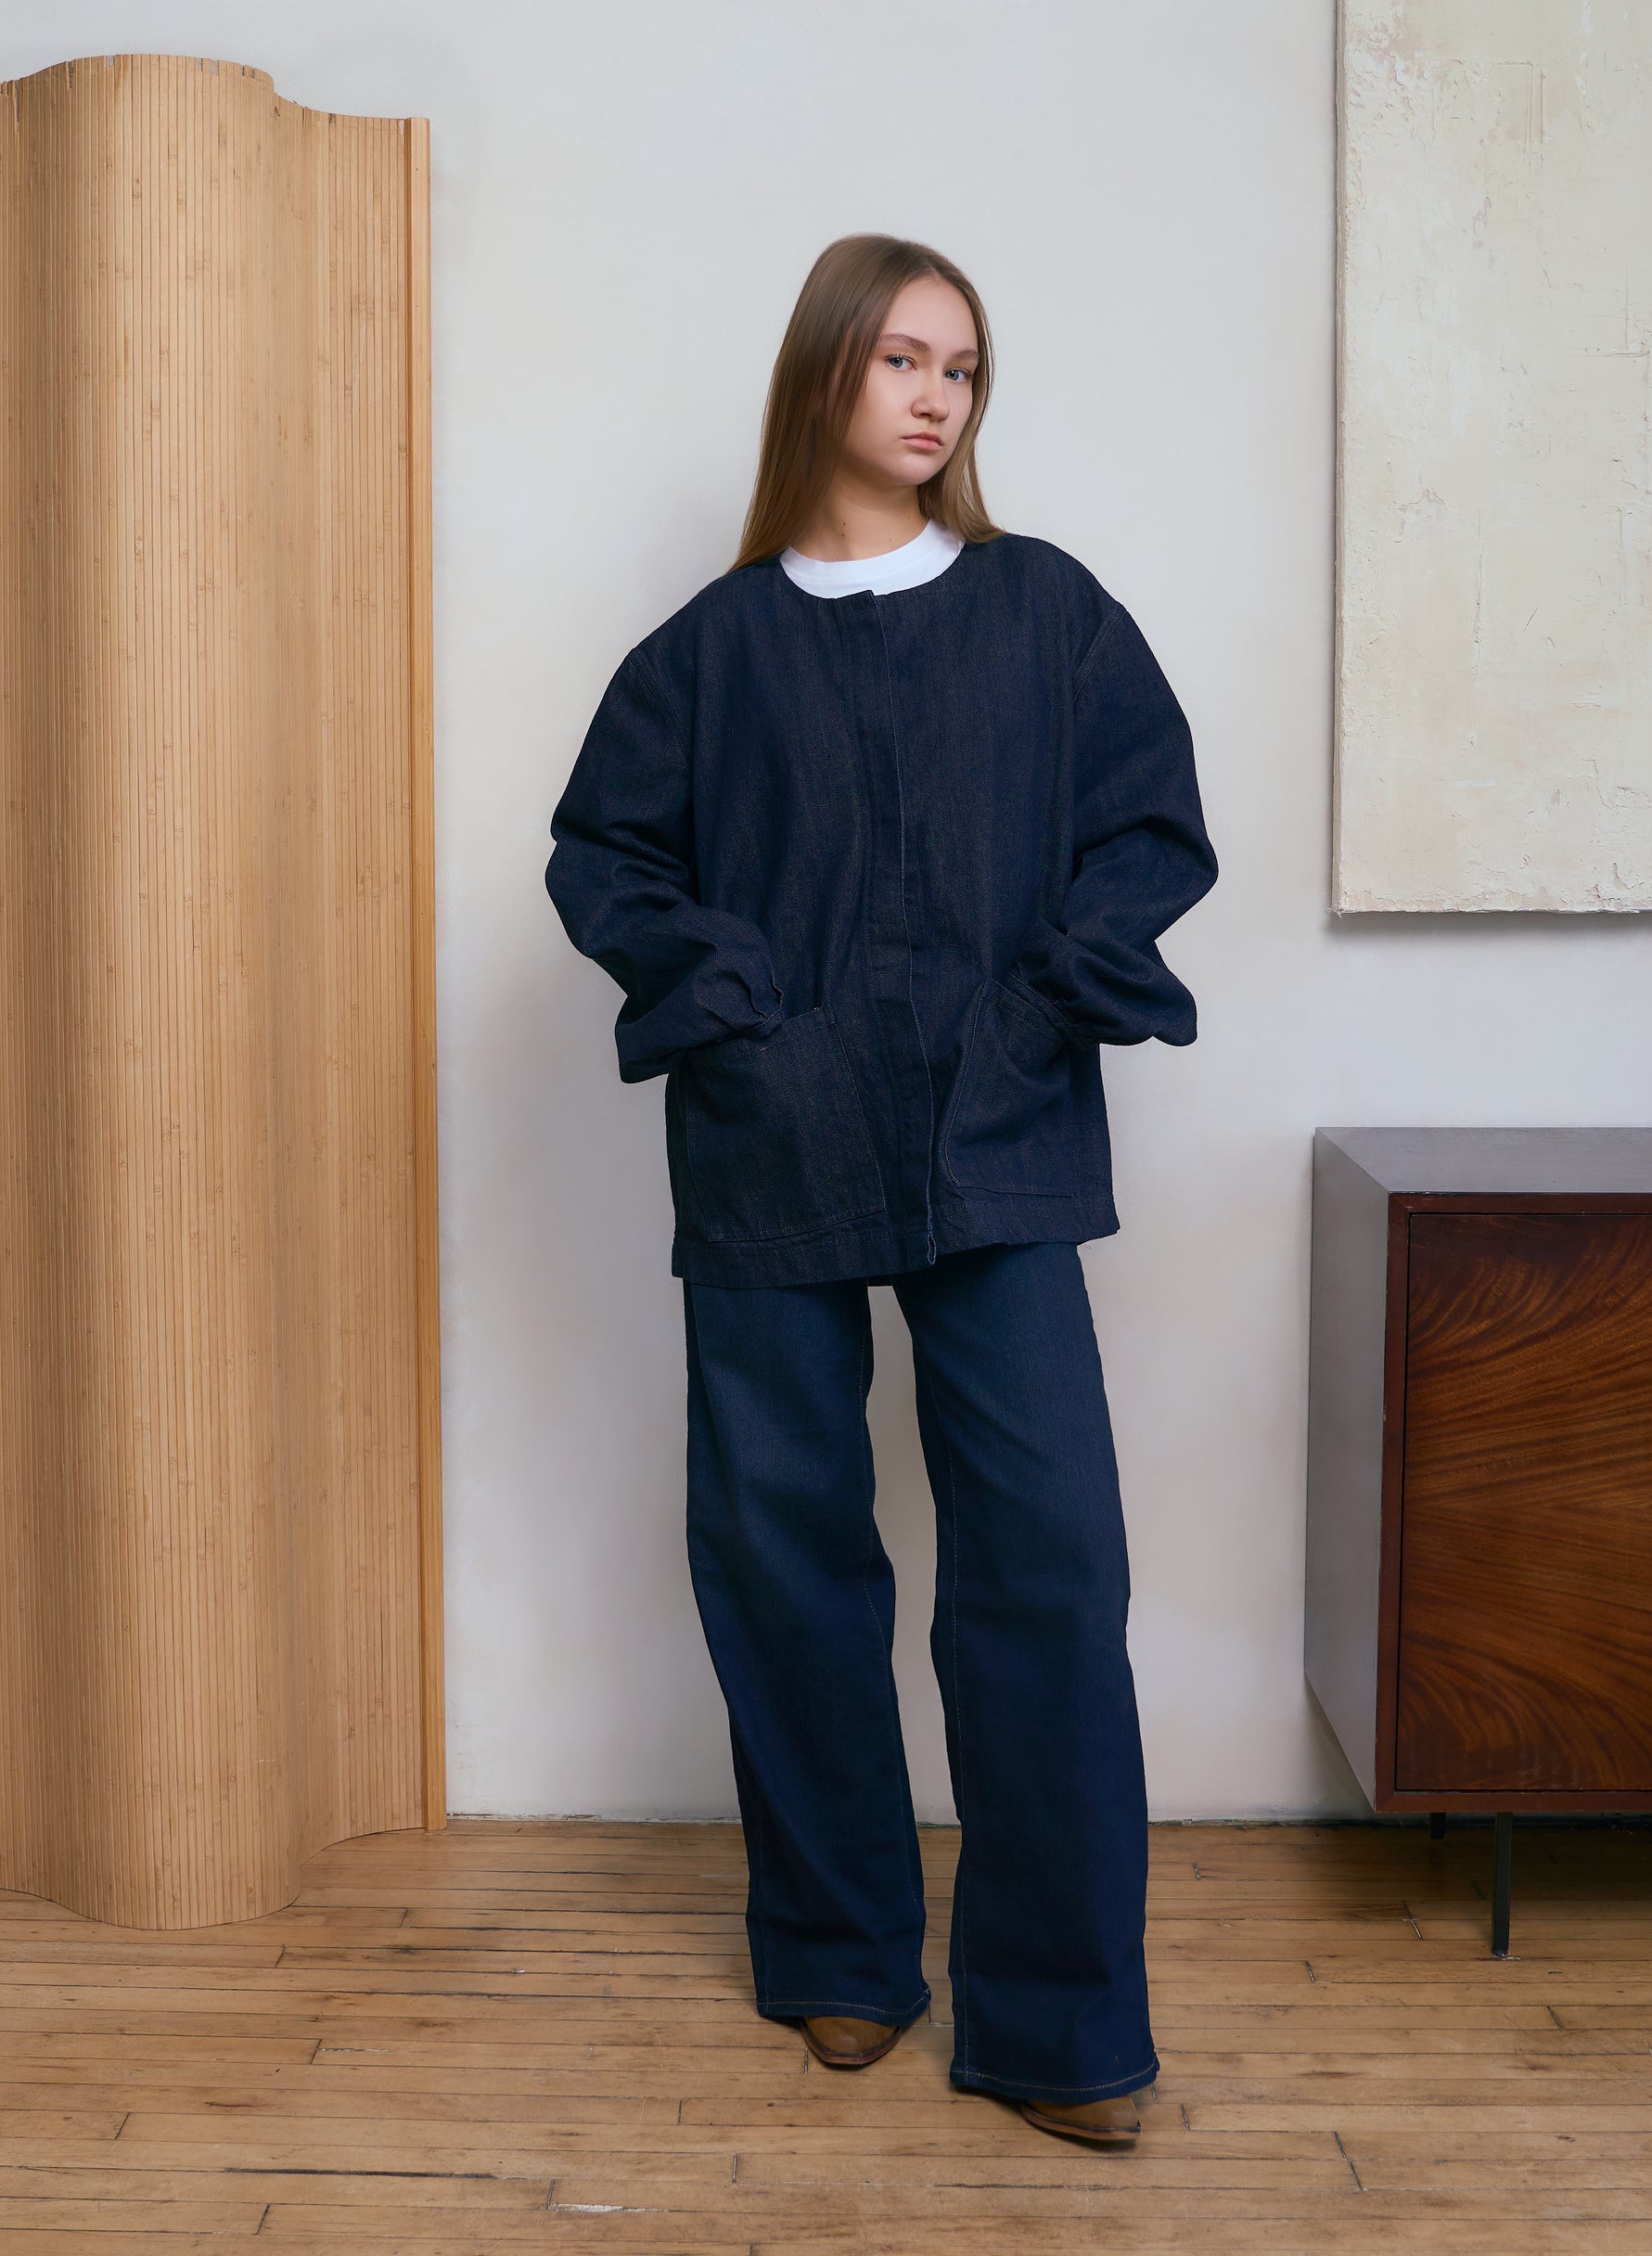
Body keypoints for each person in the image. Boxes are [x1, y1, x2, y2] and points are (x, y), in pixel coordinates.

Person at [544, 234, 1217, 2149]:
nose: (935, 397)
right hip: (773, 1140)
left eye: (963, 370)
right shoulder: (705, 653)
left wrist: (1039, 1004)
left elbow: (1148, 829)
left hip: (997, 1133)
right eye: (905, 358)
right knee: (784, 1552)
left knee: (1047, 1561)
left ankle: (1063, 2024)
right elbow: (605, 858)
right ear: (826, 371)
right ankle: (838, 1944)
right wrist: (740, 1013)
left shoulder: (1046, 612)